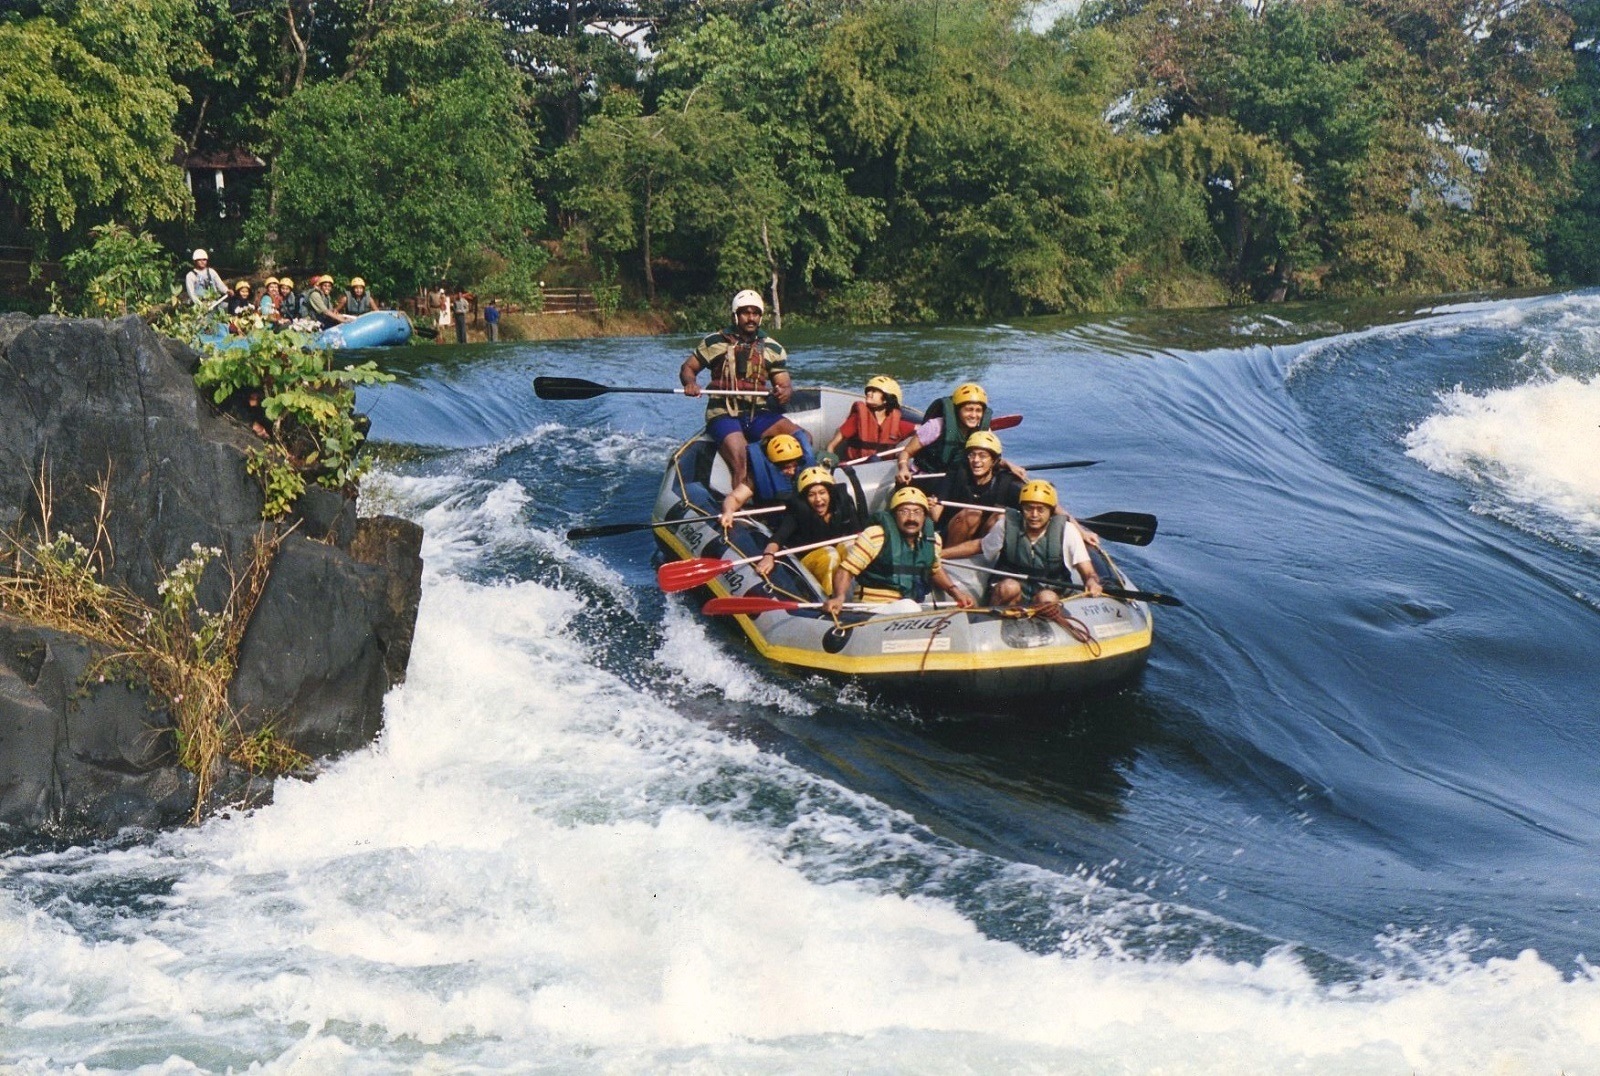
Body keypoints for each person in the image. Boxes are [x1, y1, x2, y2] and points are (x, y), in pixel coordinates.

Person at [680, 289, 802, 494]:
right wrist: (690, 383)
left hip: (758, 413)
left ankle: (798, 494)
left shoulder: (773, 348)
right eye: (746, 312)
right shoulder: (714, 342)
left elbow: (784, 383)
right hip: (723, 413)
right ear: (735, 315)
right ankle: (742, 513)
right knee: (741, 457)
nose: (751, 318)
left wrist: (785, 391)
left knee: (803, 438)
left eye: (755, 313)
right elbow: (688, 368)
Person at [825, 486, 974, 615]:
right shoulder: (875, 535)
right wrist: (839, 597)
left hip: (907, 610)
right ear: (894, 514)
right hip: (872, 608)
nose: (911, 518)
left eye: (917, 512)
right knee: (909, 607)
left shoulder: (933, 540)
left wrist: (957, 594)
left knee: (913, 607)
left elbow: (934, 569)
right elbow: (846, 570)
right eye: (904, 511)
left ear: (924, 516)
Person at [980, 480, 1103, 606]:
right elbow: (977, 546)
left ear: (1051, 511)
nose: (1034, 515)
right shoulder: (1007, 525)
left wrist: (1091, 581)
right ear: (1022, 509)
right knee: (1008, 587)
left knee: (1047, 597)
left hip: (1050, 589)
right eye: (1029, 509)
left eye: (1041, 510)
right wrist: (957, 554)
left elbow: (1088, 571)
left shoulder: (1067, 531)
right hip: (1015, 587)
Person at [752, 466, 863, 589]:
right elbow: (778, 537)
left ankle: (859, 590)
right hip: (810, 558)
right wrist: (768, 556)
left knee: (852, 547)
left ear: (830, 493)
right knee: (830, 555)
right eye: (811, 495)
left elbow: (857, 533)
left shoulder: (842, 503)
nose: (818, 499)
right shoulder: (799, 511)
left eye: (822, 493)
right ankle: (831, 596)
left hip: (836, 550)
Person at [929, 430, 1025, 558]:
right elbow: (936, 516)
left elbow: (1032, 506)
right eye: (972, 455)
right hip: (953, 536)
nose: (976, 460)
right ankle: (948, 558)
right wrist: (930, 505)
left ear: (994, 461)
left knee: (1001, 516)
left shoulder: (1006, 482)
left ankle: (986, 559)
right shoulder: (957, 474)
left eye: (982, 456)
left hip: (982, 544)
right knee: (972, 514)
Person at [896, 382, 1000, 481]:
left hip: (953, 481)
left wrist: (1008, 465)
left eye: (978, 411)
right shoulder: (936, 426)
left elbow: (989, 459)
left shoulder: (984, 432)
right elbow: (906, 452)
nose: (973, 415)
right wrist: (903, 468)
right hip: (925, 478)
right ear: (957, 410)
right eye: (969, 409)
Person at [823, 375, 918, 466]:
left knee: (875, 460)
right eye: (868, 391)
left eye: (874, 391)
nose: (869, 393)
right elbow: (831, 445)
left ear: (886, 399)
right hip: (858, 469)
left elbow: (922, 430)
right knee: (874, 460)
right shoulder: (857, 420)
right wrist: (830, 463)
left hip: (883, 471)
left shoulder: (898, 425)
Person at [719, 434, 809, 529]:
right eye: (786, 467)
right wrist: (728, 511)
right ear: (774, 465)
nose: (792, 471)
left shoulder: (809, 474)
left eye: (795, 465)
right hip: (778, 526)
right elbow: (735, 498)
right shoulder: (758, 477)